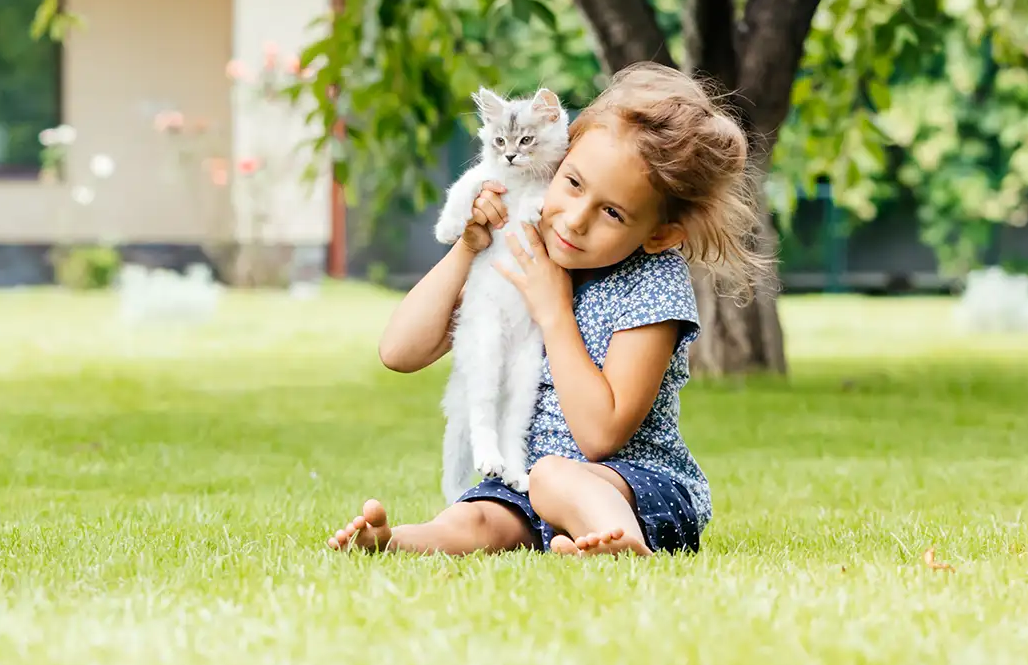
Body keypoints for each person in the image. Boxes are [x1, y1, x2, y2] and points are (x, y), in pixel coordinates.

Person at [328, 64, 765, 557]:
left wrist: (554, 308)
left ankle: (620, 542)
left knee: (556, 477)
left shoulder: (650, 281)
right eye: (574, 183)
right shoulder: (523, 245)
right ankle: (392, 542)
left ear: (659, 234)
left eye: (612, 212)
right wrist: (468, 248)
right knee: (473, 516)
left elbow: (600, 435)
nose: (575, 221)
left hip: (636, 485)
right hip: (524, 485)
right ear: (558, 157)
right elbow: (399, 351)